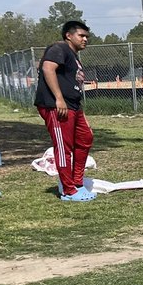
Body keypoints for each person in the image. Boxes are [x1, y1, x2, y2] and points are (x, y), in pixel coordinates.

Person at [36, 20, 95, 201]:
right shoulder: (59, 48)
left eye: (86, 36)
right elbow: (48, 69)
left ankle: (77, 182)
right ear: (69, 36)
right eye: (81, 35)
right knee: (64, 147)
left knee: (85, 138)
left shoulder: (73, 56)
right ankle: (68, 190)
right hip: (57, 106)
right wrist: (58, 99)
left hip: (73, 106)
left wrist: (80, 111)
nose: (85, 39)